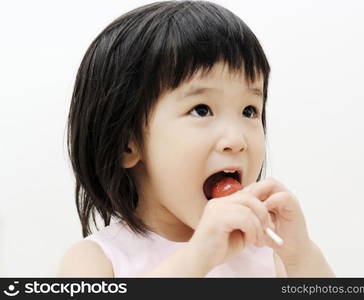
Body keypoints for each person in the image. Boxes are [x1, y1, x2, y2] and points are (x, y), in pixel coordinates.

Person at [57, 0, 334, 277]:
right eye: (202, 110)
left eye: (249, 110)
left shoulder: (271, 255)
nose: (236, 140)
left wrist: (301, 255)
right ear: (127, 144)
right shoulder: (95, 260)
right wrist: (197, 257)